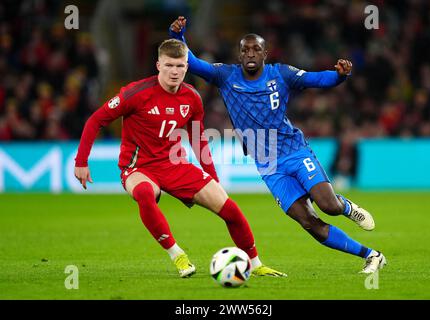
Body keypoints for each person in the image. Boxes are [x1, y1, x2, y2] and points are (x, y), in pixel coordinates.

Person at [170, 17, 386, 274]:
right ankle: (371, 255)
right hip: (269, 165)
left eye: (256, 49)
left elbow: (317, 80)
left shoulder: (281, 73)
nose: (250, 53)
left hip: (295, 151)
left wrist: (339, 76)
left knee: (329, 206)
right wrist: (179, 36)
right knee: (308, 222)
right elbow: (193, 64)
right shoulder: (225, 76)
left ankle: (347, 207)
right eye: (245, 50)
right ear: (239, 55)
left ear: (265, 53)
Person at [74, 39, 286, 278]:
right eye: (169, 65)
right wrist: (81, 161)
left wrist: (212, 178)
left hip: (175, 165)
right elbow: (96, 120)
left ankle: (255, 264)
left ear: (187, 66)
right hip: (138, 167)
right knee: (145, 193)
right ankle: (178, 255)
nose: (175, 72)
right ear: (158, 65)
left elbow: (198, 139)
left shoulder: (192, 98)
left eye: (180, 66)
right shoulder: (136, 93)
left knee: (230, 209)